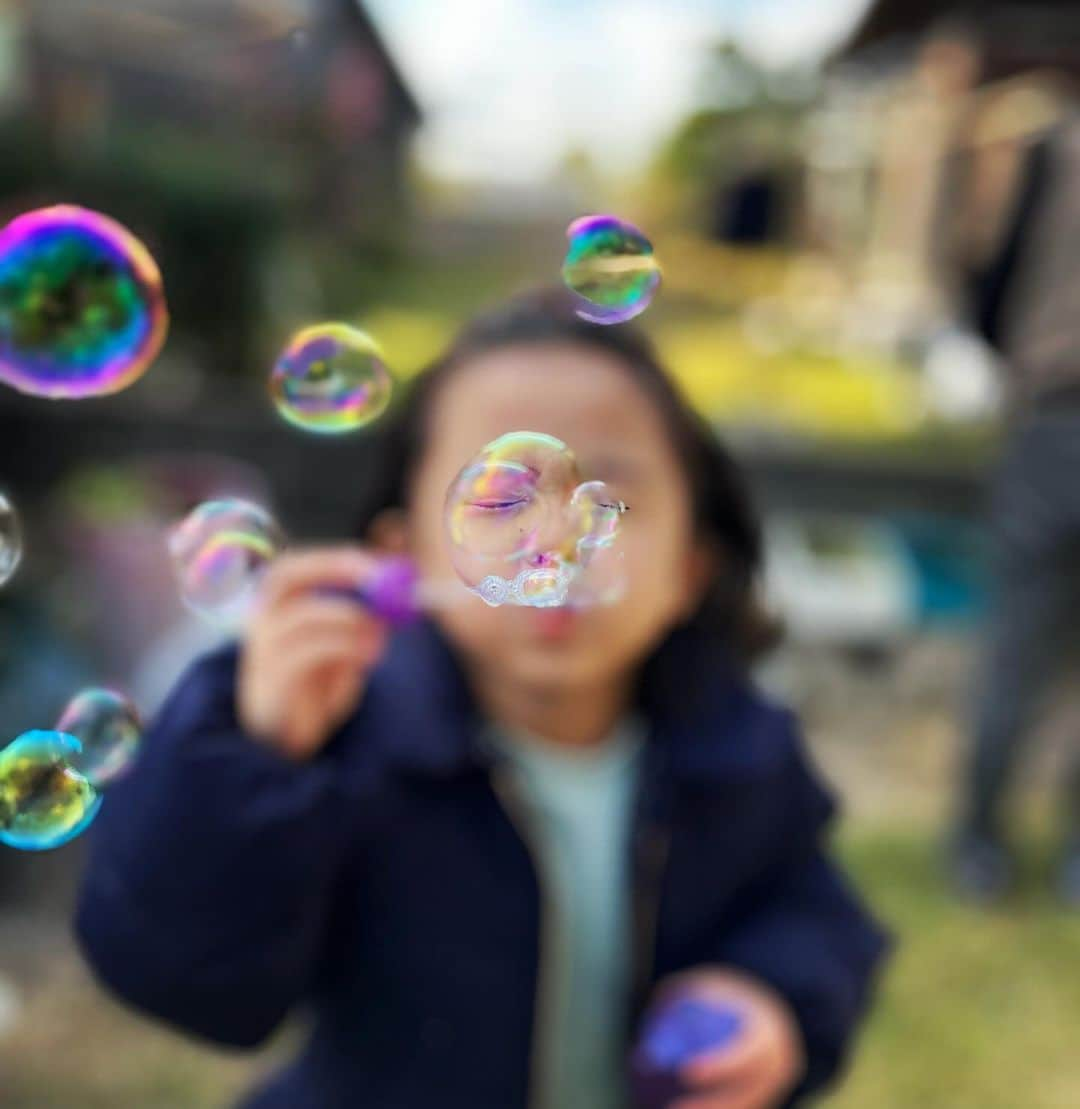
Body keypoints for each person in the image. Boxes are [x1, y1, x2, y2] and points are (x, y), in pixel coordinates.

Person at [75, 290, 888, 1108]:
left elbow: (816, 912)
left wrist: (775, 995)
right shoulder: (349, 749)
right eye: (500, 499)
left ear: (689, 569)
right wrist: (256, 757)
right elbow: (182, 978)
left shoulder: (740, 750)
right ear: (402, 556)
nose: (556, 538)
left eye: (609, 495)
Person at [948, 109, 1080, 903]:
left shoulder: (1055, 147)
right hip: (1051, 417)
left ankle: (978, 846)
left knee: (1015, 648)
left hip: (1053, 413)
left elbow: (988, 289)